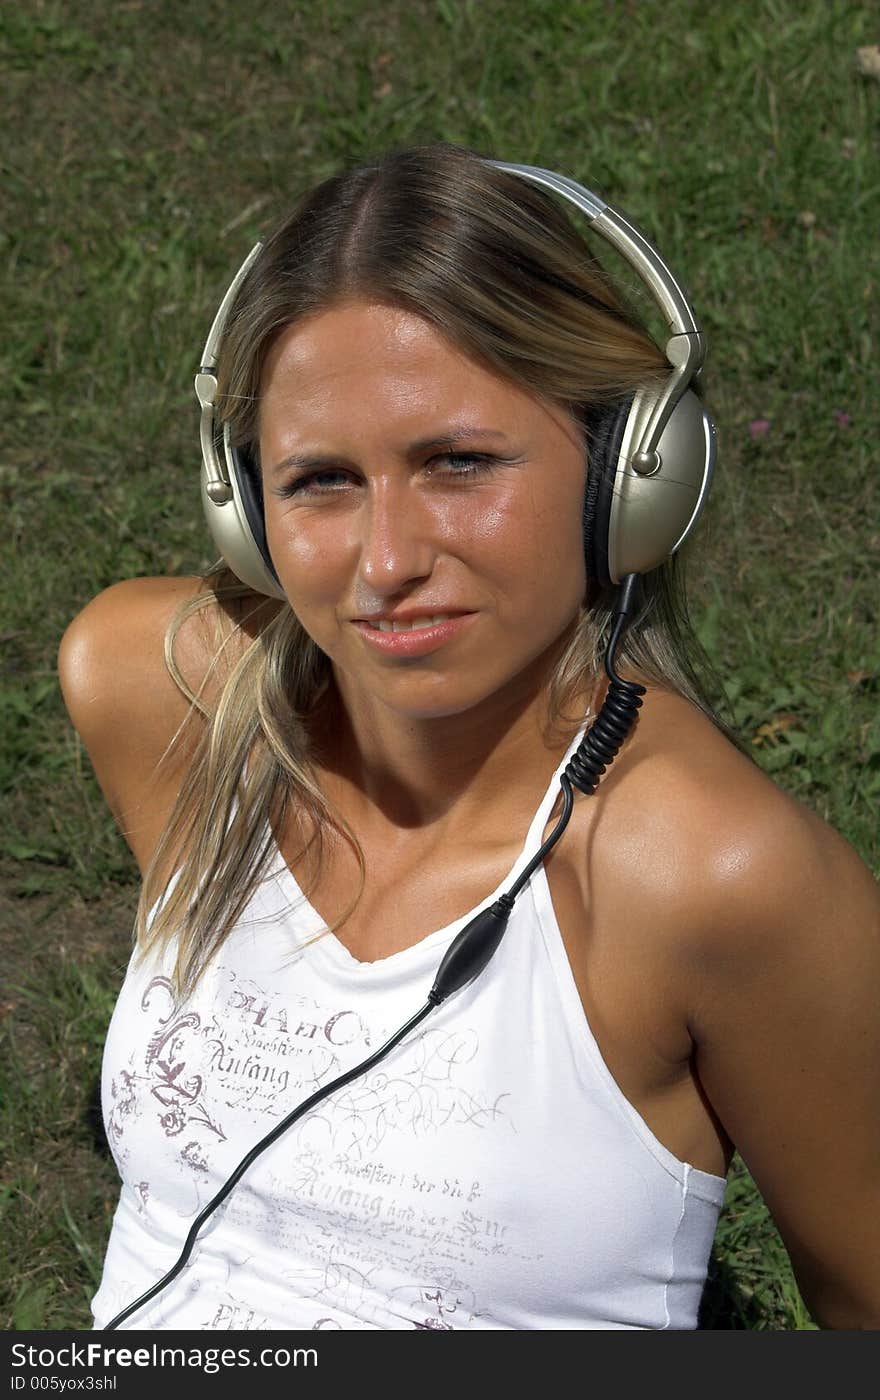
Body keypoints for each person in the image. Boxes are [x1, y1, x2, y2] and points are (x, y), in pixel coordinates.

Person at [58, 143, 880, 1332]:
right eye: (321, 481)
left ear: (628, 475)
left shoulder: (712, 878)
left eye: (457, 463)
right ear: (242, 509)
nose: (387, 562)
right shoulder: (154, 694)